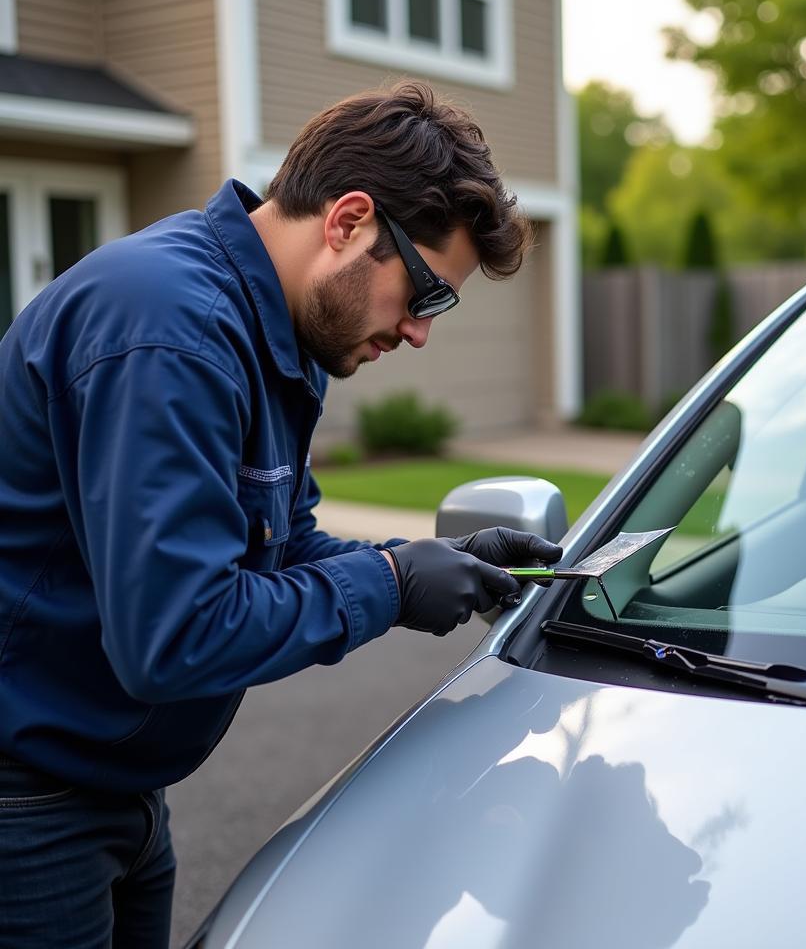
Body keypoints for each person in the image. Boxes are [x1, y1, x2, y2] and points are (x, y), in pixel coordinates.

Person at [0, 81, 562, 948]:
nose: (419, 331)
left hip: (112, 789)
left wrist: (421, 561)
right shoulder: (169, 329)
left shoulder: (266, 331)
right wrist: (387, 584)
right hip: (28, 806)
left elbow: (282, 547)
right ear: (347, 220)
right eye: (425, 292)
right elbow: (176, 635)